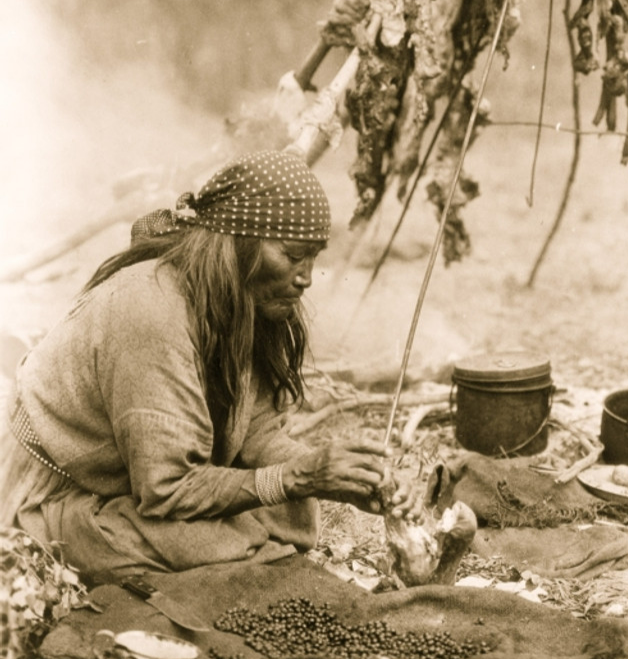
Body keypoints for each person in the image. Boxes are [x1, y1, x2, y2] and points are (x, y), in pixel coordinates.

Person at [0, 149, 419, 583]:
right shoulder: (152, 309)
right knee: (203, 541)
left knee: (293, 510)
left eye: (313, 257)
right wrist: (298, 476)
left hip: (143, 481)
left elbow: (257, 432)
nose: (306, 276)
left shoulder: (244, 301)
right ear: (241, 242)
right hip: (59, 493)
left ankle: (239, 548)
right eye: (293, 255)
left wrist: (345, 477)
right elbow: (167, 489)